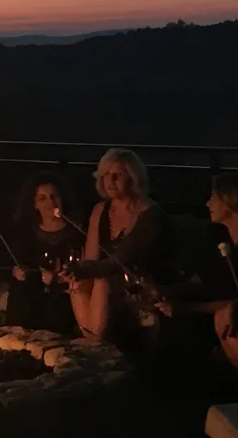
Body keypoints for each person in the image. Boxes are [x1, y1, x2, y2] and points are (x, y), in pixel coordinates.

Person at [155, 174, 238, 377]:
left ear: (230, 199)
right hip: (227, 312)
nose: (208, 203)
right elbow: (203, 280)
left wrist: (185, 308)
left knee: (222, 317)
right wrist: (161, 291)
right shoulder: (219, 238)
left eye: (214, 197)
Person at [65, 148, 171, 351]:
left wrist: (83, 269)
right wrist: (73, 271)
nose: (110, 180)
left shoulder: (150, 214)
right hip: (103, 282)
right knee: (76, 284)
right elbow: (91, 258)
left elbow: (119, 262)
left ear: (133, 177)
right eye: (105, 175)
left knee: (103, 283)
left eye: (117, 175)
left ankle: (92, 347)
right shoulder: (100, 210)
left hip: (137, 285)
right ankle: (94, 344)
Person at [7, 173, 85, 334]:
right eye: (43, 198)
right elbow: (20, 262)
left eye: (54, 196)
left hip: (65, 291)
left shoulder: (77, 231)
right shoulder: (27, 232)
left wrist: (63, 276)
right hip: (33, 289)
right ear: (35, 204)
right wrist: (20, 271)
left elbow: (83, 263)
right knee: (21, 293)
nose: (51, 202)